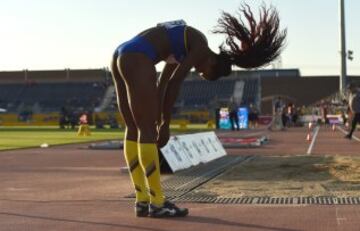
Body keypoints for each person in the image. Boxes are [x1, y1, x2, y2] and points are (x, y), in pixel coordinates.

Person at [110, 4, 286, 218]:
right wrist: (164, 124)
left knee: (133, 128)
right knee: (146, 131)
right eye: (204, 72)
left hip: (121, 53)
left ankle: (142, 200)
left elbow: (163, 82)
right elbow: (174, 83)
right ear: (212, 61)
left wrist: (158, 112)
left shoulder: (182, 47)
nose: (199, 71)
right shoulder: (200, 46)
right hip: (137, 57)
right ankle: (156, 202)